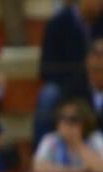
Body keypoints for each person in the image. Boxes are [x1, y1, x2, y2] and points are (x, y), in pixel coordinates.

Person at [35, 0, 103, 145]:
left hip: (98, 81)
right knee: (49, 94)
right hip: (67, 84)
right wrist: (77, 81)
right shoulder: (58, 23)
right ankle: (43, 150)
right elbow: (46, 68)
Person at [32, 98, 103, 172]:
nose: (66, 123)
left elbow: (101, 168)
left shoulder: (95, 138)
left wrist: (77, 144)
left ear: (85, 122)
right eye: (62, 118)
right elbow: (38, 168)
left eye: (73, 119)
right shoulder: (51, 139)